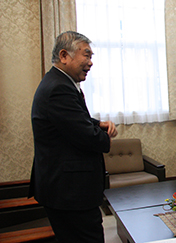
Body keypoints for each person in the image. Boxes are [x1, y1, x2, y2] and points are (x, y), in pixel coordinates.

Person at [29, 31, 118, 243]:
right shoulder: (59, 88)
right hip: (69, 191)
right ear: (64, 55)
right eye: (86, 55)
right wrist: (104, 136)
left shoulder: (61, 82)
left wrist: (97, 123)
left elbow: (74, 122)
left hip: (67, 189)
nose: (90, 62)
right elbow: (89, 138)